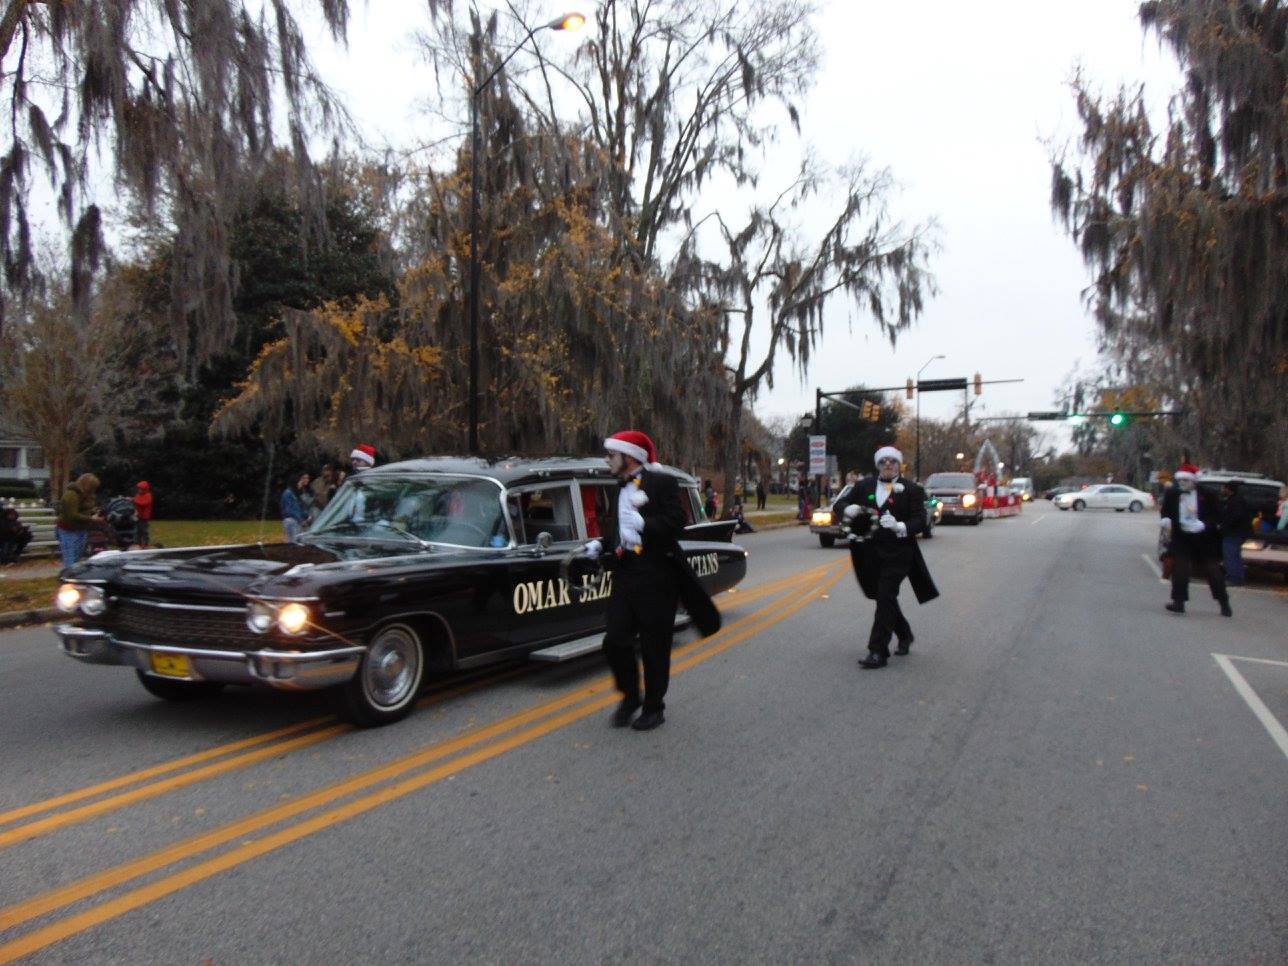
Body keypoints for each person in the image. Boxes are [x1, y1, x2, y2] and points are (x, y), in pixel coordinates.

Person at [586, 430, 718, 732]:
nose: (608, 460)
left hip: (658, 575)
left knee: (654, 645)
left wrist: (647, 523)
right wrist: (600, 545)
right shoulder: (616, 487)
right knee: (615, 641)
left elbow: (677, 521)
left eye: (611, 455)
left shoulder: (662, 482)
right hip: (626, 574)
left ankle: (654, 706)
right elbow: (617, 529)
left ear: (629, 457)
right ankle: (631, 697)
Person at [833, 446, 939, 670]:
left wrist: (901, 526)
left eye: (892, 461)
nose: (888, 464)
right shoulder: (863, 486)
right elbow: (838, 504)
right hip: (868, 554)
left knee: (886, 593)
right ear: (878, 465)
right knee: (882, 597)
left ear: (899, 465)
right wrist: (848, 508)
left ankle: (877, 650)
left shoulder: (912, 490)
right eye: (884, 461)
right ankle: (905, 633)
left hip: (899, 553)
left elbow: (920, 519)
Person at [1160, 463, 1230, 616]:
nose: (1182, 483)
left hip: (1204, 539)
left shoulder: (1208, 494)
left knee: (1213, 572)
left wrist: (1205, 524)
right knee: (1180, 570)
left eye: (1186, 480)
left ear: (1194, 481)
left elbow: (1218, 516)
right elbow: (1166, 511)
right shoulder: (1172, 494)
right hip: (1182, 537)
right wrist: (1165, 519)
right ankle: (1179, 602)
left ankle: (1224, 602)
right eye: (1181, 480)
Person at [55, 473, 102, 568]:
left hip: (81, 529)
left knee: (77, 556)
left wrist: (93, 511)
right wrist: (91, 519)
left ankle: (73, 577)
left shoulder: (85, 495)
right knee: (70, 558)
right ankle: (69, 579)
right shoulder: (71, 495)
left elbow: (83, 508)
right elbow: (72, 515)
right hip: (68, 530)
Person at [1219, 479, 1251, 586]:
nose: (1221, 490)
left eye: (1223, 488)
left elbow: (1235, 517)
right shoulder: (1235, 500)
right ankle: (1238, 578)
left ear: (1228, 489)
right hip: (1237, 532)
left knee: (1230, 555)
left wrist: (1224, 525)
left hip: (1234, 532)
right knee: (1235, 556)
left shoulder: (1235, 501)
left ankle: (1233, 578)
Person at [280, 472, 310, 543]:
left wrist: (306, 516)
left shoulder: (295, 494)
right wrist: (300, 520)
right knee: (292, 542)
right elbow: (289, 510)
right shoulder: (288, 493)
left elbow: (298, 509)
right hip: (291, 522)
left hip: (296, 521)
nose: (300, 484)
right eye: (299, 482)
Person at [132, 481, 153, 548]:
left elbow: (143, 503)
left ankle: (145, 544)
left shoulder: (148, 495)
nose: (139, 490)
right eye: (138, 489)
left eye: (140, 489)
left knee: (144, 531)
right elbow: (136, 502)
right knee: (137, 531)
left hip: (144, 517)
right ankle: (137, 544)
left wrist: (133, 500)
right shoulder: (137, 495)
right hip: (137, 516)